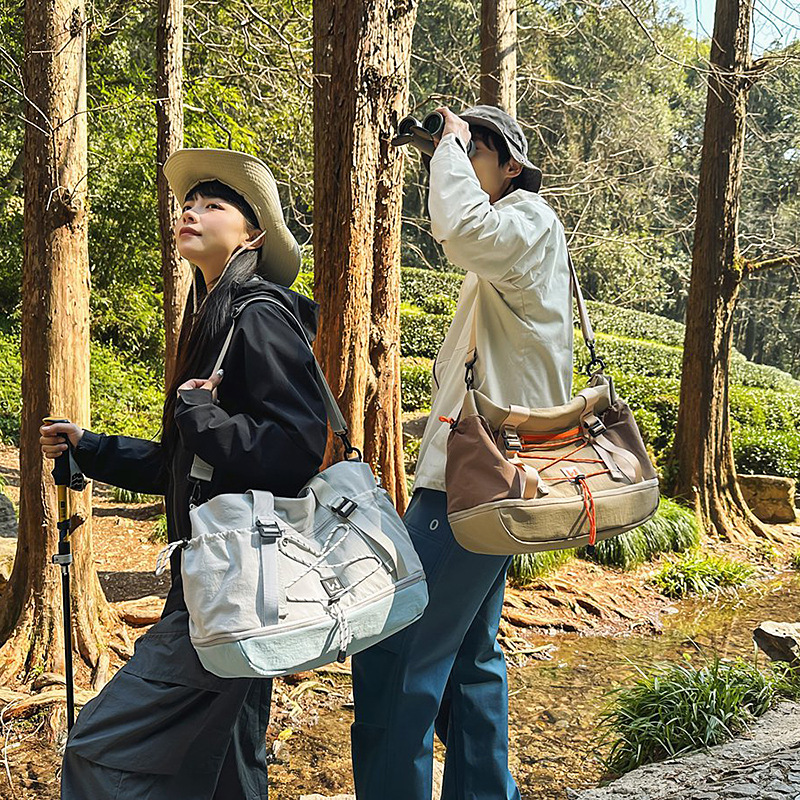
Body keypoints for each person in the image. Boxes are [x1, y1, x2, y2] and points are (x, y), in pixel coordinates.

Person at [40, 149, 328, 799]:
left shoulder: (260, 313)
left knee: (98, 751)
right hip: (230, 585)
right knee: (225, 771)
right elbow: (186, 465)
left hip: (230, 586)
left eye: (213, 204)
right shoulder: (215, 316)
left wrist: (197, 413)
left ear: (253, 234)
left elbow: (297, 450)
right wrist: (94, 448)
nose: (191, 212)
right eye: (187, 204)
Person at [350, 105, 574, 799]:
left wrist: (445, 141)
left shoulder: (528, 219)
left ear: (513, 165)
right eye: (454, 147)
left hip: (471, 488)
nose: (455, 157)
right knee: (470, 657)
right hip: (486, 480)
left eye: (473, 148)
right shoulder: (512, 252)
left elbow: (460, 225)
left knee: (395, 653)